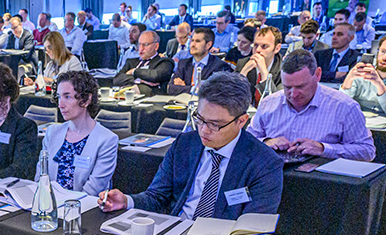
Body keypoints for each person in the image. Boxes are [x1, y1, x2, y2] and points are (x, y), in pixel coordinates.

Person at [99, 72, 283, 220]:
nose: (203, 130)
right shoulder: (185, 144)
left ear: (241, 121)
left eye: (215, 124)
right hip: (175, 232)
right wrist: (127, 201)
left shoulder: (264, 163)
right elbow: (157, 197)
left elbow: (253, 226)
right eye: (200, 119)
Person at [249, 50, 375, 161]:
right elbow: (246, 141)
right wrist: (266, 142)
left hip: (322, 183)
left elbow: (367, 152)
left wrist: (323, 149)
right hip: (274, 177)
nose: (293, 94)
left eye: (301, 86)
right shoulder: (269, 103)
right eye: (287, 87)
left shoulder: (344, 107)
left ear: (318, 74)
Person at [36, 71, 118, 197]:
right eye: (59, 97)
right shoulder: (52, 133)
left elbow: (93, 190)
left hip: (84, 210)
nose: (60, 104)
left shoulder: (107, 140)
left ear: (86, 100)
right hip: (49, 206)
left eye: (67, 97)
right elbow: (40, 179)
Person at [167, 28, 233, 95]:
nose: (192, 45)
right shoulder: (183, 63)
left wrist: (185, 88)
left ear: (208, 45)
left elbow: (214, 92)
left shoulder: (219, 66)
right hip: (181, 104)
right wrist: (193, 89)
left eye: (197, 41)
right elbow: (171, 88)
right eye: (192, 40)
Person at [113, 31, 174, 96]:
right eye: (139, 44)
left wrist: (133, 71)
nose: (141, 48)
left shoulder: (165, 62)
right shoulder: (131, 62)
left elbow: (155, 76)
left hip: (151, 101)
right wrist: (140, 80)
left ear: (156, 46)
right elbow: (116, 80)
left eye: (145, 45)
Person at [237, 26, 283, 106]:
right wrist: (243, 73)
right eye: (255, 45)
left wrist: (264, 73)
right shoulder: (243, 64)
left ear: (277, 48)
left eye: (264, 46)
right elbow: (231, 97)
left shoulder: (284, 69)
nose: (258, 50)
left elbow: (277, 102)